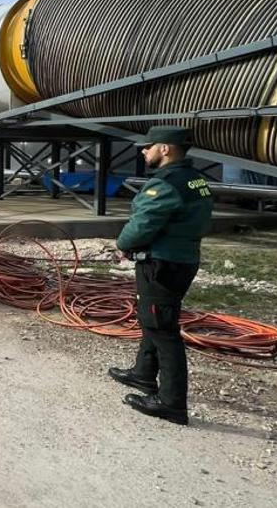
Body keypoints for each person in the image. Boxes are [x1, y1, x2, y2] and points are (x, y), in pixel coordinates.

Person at [109, 125, 213, 426]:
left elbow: (143, 224)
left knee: (161, 328)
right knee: (153, 319)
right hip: (181, 259)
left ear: (165, 149)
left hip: (162, 264)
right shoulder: (195, 180)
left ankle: (171, 403)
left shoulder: (166, 184)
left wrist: (122, 245)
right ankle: (143, 375)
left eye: (148, 146)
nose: (144, 151)